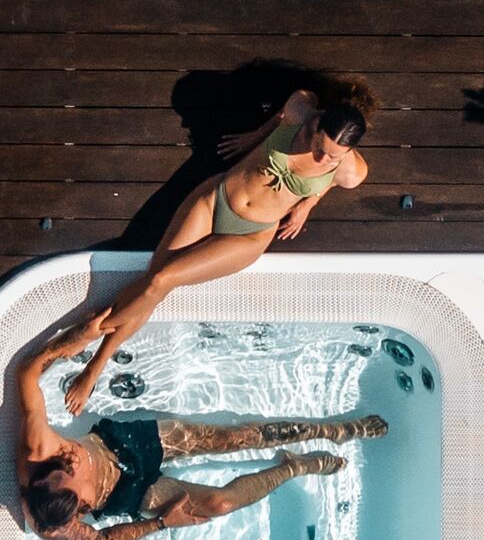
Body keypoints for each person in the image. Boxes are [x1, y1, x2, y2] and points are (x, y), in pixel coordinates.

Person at [43, 81, 374, 419]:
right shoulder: (300, 110)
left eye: (333, 156)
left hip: (249, 235)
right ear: (317, 125)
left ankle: (93, 354)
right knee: (155, 282)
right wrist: (253, 137)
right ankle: (89, 340)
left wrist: (308, 201)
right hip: (214, 198)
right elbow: (285, 111)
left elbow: (332, 179)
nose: (322, 158)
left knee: (159, 282)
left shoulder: (350, 169)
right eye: (320, 147)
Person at [15, 333, 387, 540]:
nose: (73, 467)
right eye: (77, 491)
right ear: (76, 509)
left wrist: (79, 338)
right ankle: (295, 466)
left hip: (123, 444)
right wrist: (161, 524)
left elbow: (28, 372)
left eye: (65, 470)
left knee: (237, 438)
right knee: (219, 504)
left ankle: (335, 429)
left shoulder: (39, 450)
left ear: (43, 478)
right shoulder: (52, 526)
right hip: (130, 494)